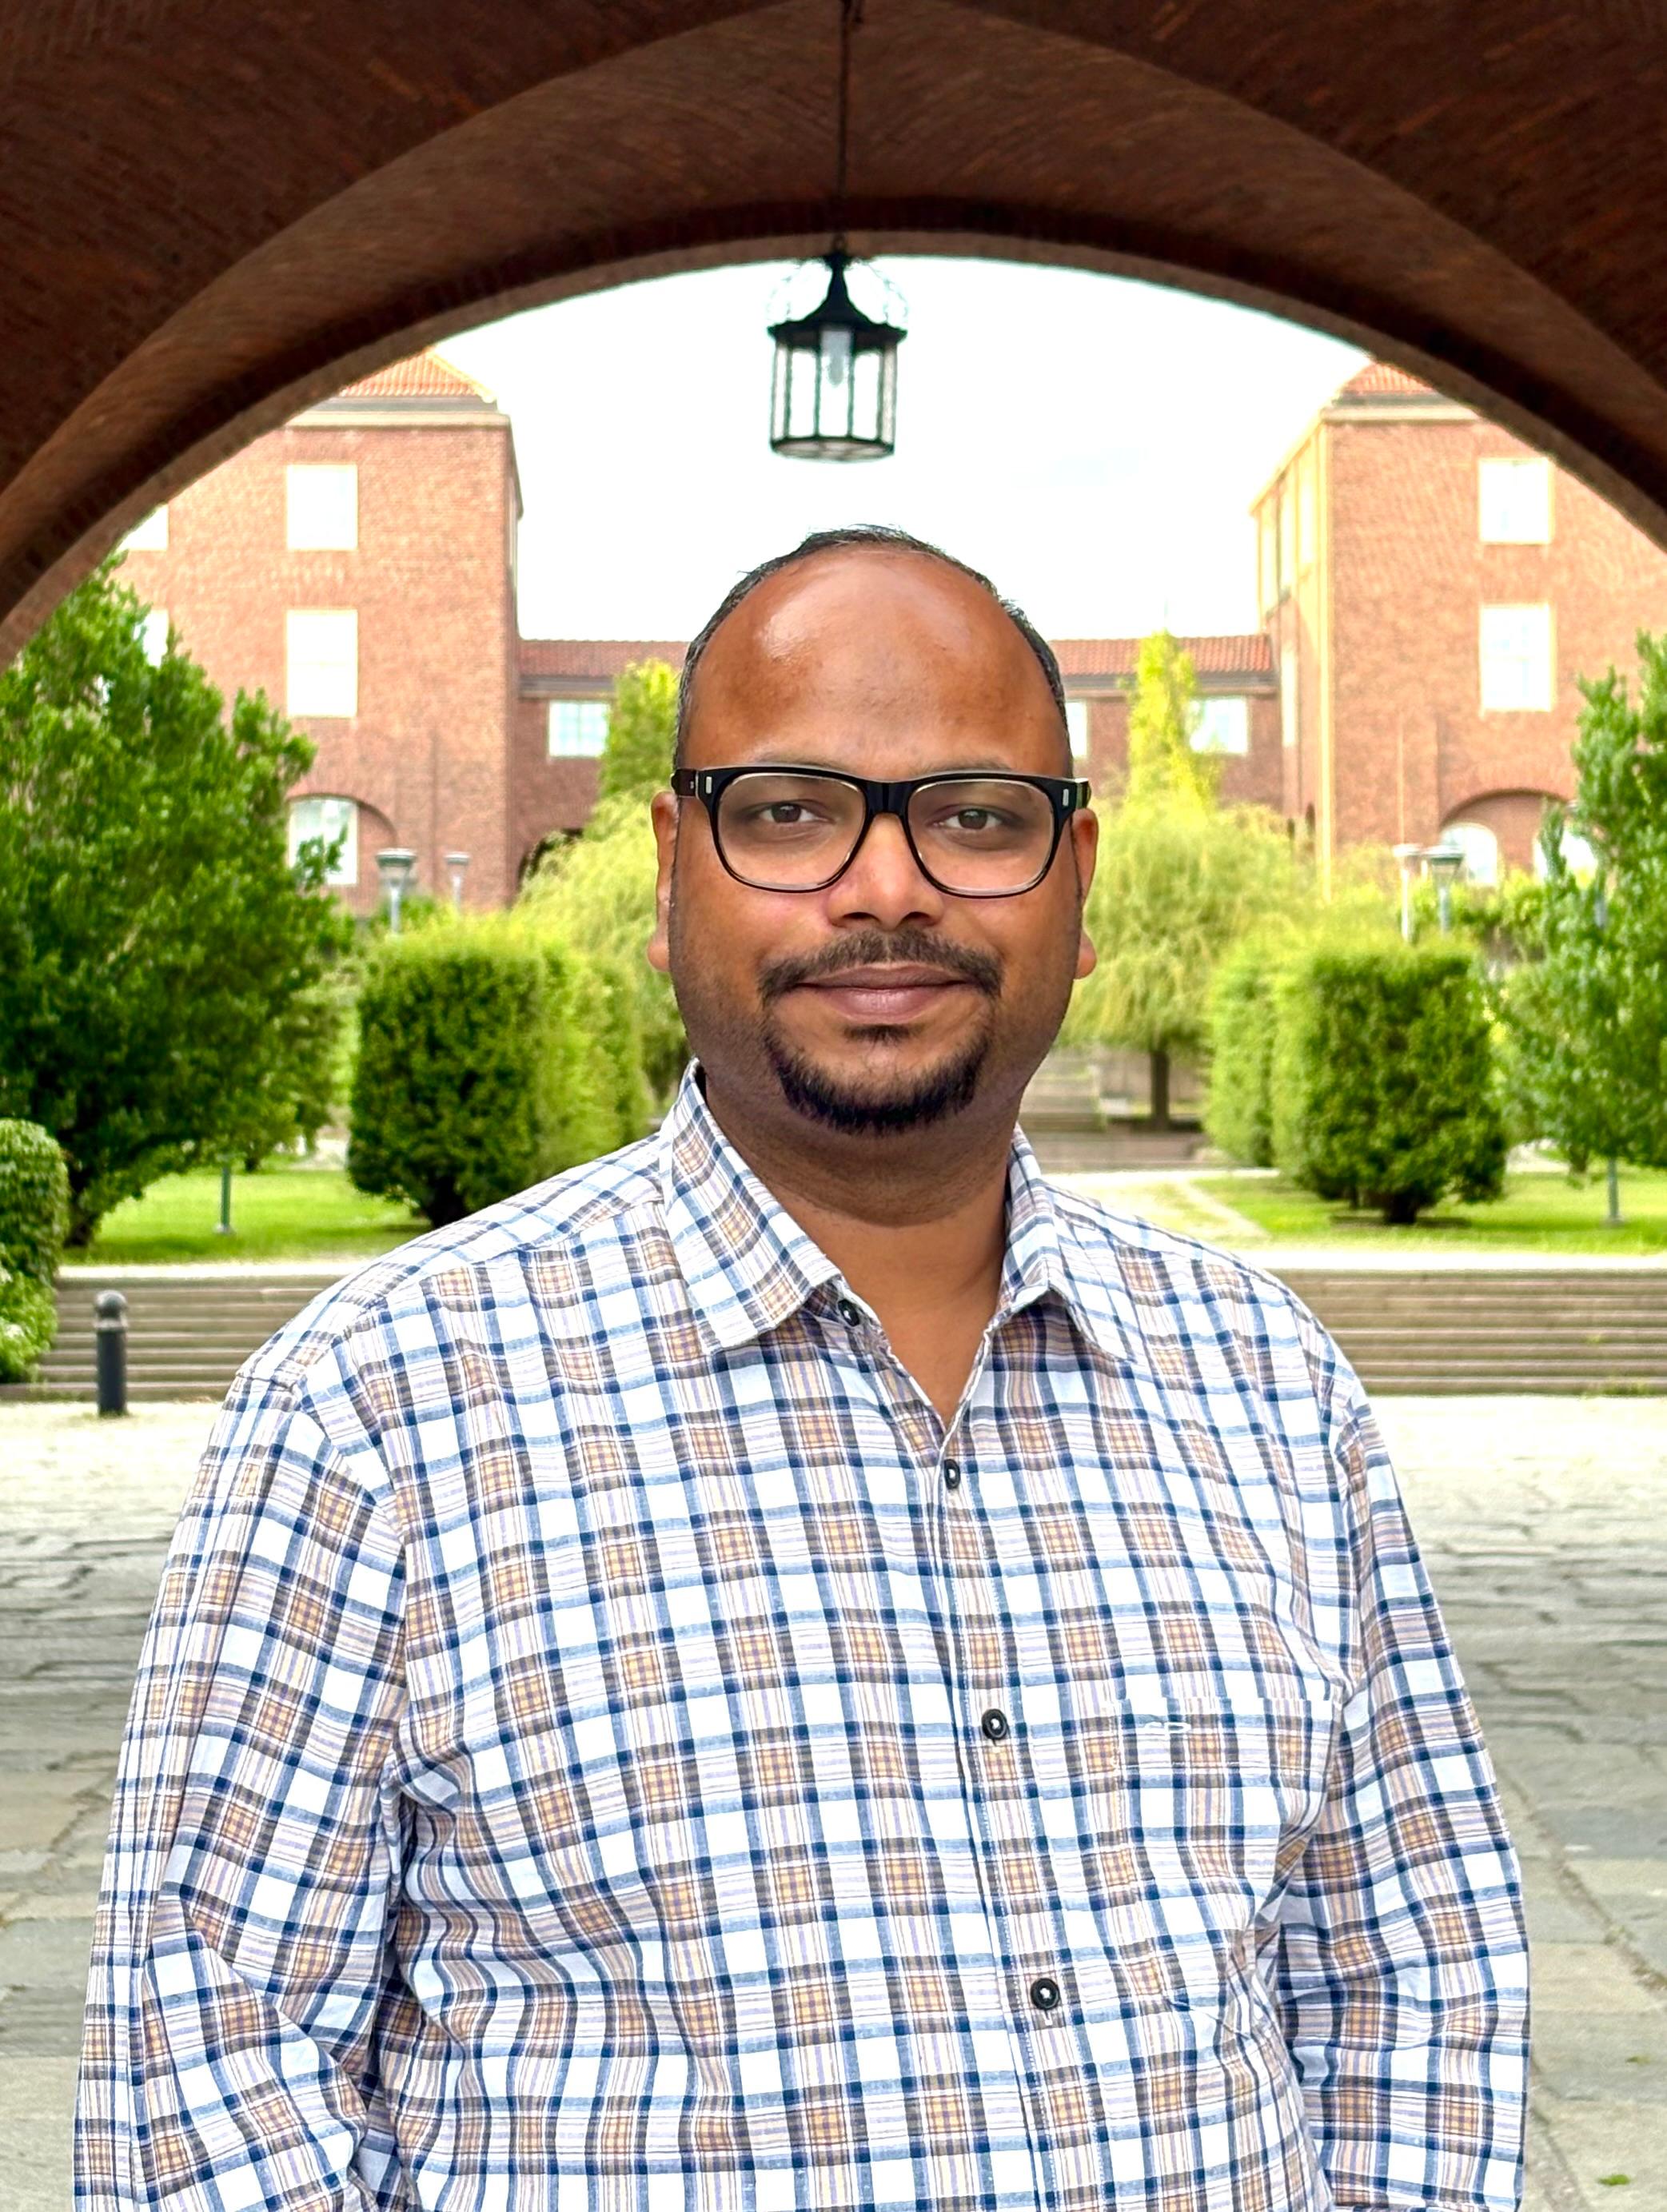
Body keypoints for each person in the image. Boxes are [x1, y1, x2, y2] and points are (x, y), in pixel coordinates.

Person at [76, 526, 1528, 2212]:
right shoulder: (377, 1413)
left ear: (1076, 875)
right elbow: (210, 2080)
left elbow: (1411, 1976)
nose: (886, 886)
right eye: (786, 813)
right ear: (669, 867)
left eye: (974, 817)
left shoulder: (1269, 1392)